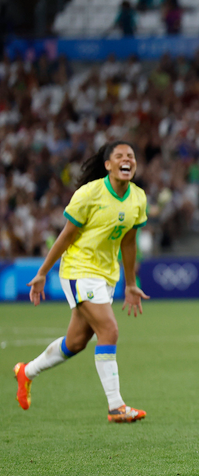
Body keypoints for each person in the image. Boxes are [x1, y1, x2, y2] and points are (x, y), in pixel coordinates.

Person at [14, 141, 150, 422]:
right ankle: (116, 407)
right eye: (120, 156)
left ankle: (25, 372)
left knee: (76, 342)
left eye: (131, 156)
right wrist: (42, 272)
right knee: (109, 330)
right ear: (108, 165)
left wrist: (130, 283)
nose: (127, 159)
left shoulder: (138, 198)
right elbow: (66, 235)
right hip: (79, 269)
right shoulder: (89, 194)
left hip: (106, 275)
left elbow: (128, 242)